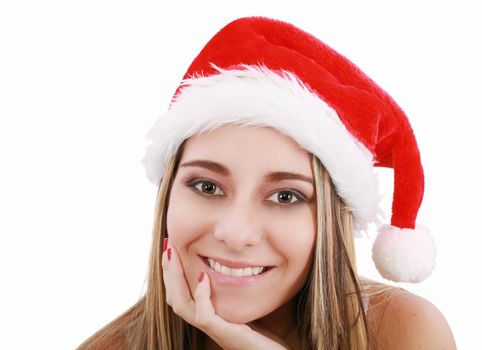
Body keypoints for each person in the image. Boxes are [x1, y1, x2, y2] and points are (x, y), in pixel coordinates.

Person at [77, 17, 456, 350]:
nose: (236, 234)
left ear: (330, 217)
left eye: (285, 196)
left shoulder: (407, 334)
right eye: (207, 186)